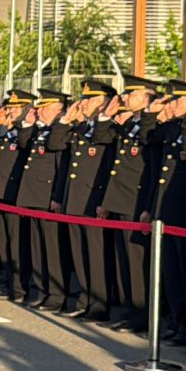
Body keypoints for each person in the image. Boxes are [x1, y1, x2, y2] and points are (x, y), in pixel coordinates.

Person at [101, 76, 163, 333]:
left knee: (138, 263)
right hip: (120, 199)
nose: (125, 98)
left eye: (132, 94)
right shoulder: (131, 125)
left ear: (147, 97)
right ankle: (130, 309)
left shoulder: (150, 125)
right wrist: (108, 115)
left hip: (136, 202)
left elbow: (151, 153)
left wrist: (149, 113)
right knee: (123, 261)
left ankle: (142, 315)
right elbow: (104, 139)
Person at [56, 80, 119, 321]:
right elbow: (57, 145)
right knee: (80, 254)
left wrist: (105, 201)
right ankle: (85, 297)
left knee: (95, 254)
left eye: (91, 99)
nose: (84, 103)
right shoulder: (82, 128)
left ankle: (100, 304)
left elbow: (108, 167)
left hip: (94, 200)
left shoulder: (109, 128)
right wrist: (66, 121)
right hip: (75, 199)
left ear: (105, 103)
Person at [138, 80, 186, 345]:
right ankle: (178, 324)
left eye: (177, 100)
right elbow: (149, 139)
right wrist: (151, 114)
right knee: (173, 272)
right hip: (168, 210)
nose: (172, 105)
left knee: (183, 269)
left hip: (182, 213)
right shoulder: (172, 129)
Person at [16, 89, 72, 310]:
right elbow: (23, 146)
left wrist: (57, 197)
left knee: (53, 249)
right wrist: (29, 124)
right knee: (37, 247)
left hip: (48, 196)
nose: (38, 111)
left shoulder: (61, 131)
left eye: (44, 107)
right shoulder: (44, 130)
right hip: (34, 195)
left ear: (58, 109)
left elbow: (61, 164)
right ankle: (42, 289)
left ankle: (57, 294)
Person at [0, 91, 38, 302]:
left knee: (17, 244)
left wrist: (24, 124)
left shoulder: (30, 131)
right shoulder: (11, 130)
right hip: (0, 192)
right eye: (10, 107)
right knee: (5, 243)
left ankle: (20, 287)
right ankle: (9, 283)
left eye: (16, 108)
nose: (11, 111)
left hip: (15, 194)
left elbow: (25, 145)